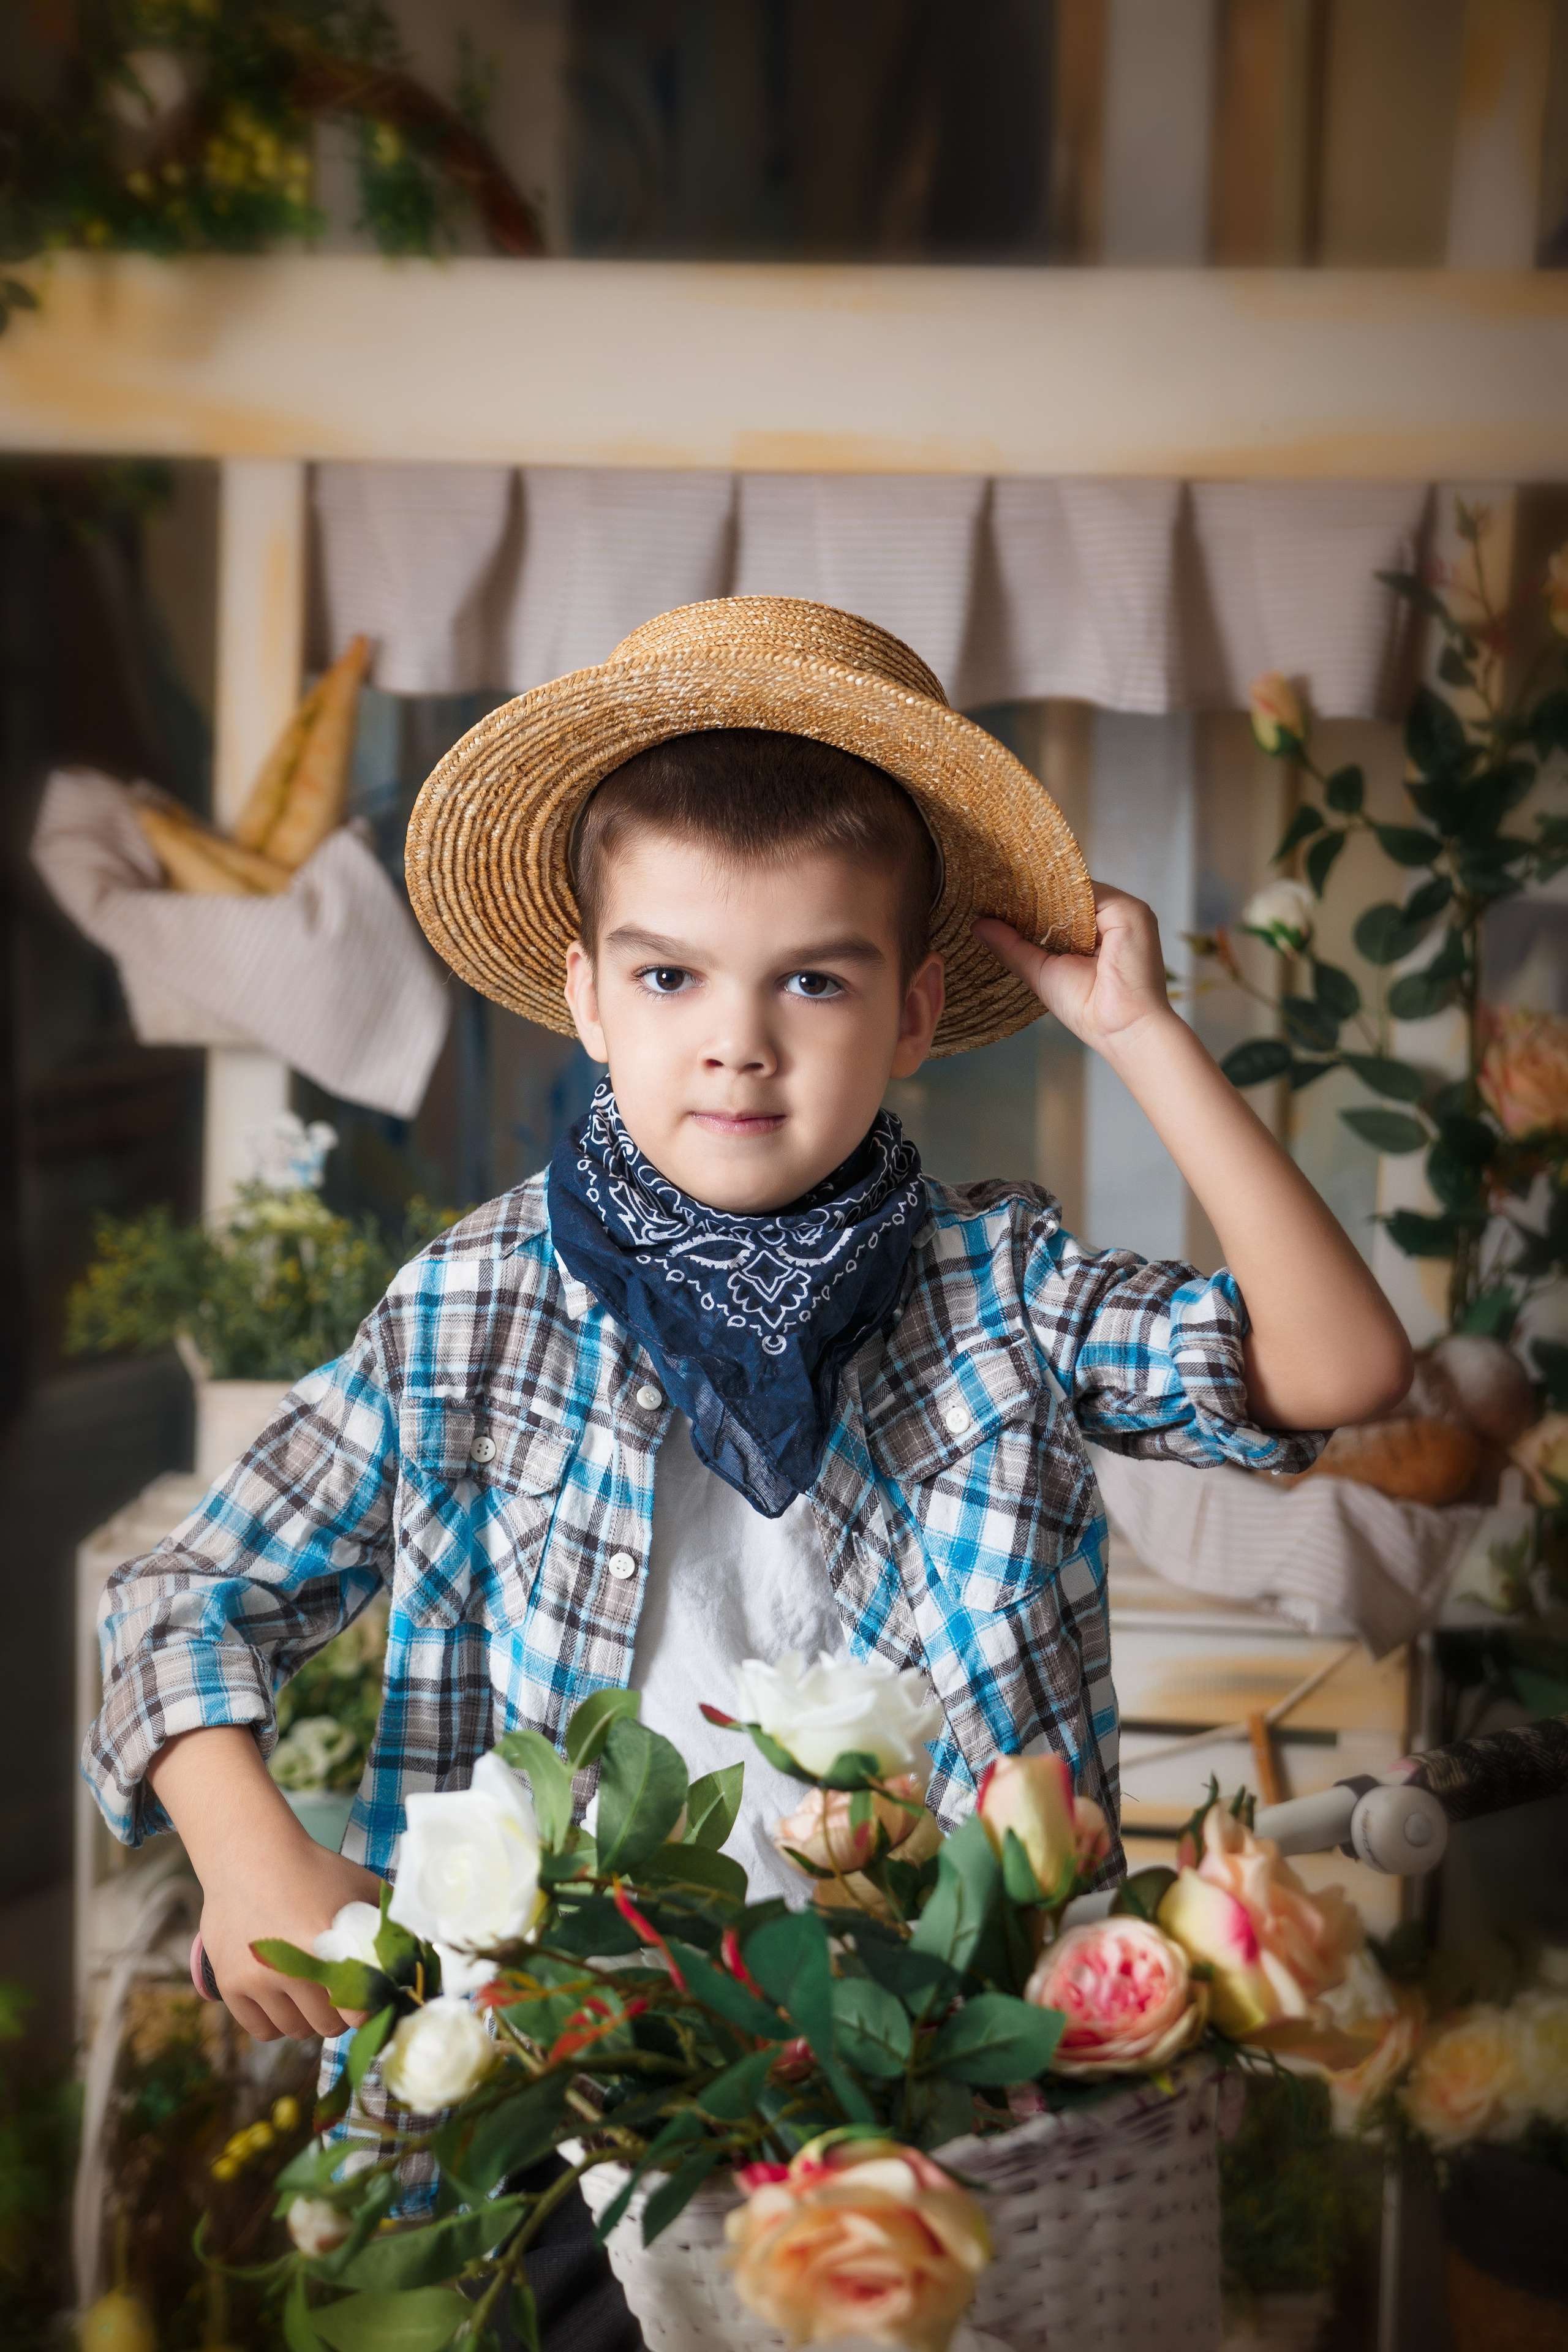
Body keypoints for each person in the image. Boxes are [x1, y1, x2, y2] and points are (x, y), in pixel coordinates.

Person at [85, 598, 1409, 2336]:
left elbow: (1337, 1369)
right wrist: (248, 1849)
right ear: (583, 994)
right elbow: (186, 1597)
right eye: (670, 976)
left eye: (815, 979)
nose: (738, 1040)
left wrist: (1139, 1034)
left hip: (937, 2086)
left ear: (915, 1012)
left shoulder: (999, 1291)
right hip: (564, 2093)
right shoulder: (477, 1304)